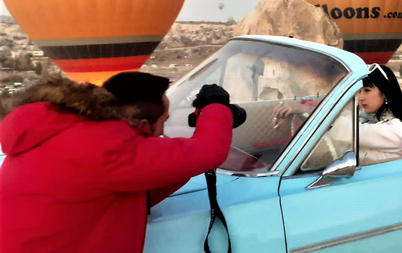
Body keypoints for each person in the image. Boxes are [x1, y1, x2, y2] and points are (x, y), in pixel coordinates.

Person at [0, 72, 244, 253]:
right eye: (164, 121)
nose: (163, 130)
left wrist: (183, 165)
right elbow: (210, 151)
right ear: (143, 124)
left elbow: (127, 192)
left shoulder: (64, 133)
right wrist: (216, 108)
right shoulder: (107, 150)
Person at [272, 64, 402, 165]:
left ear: (385, 93)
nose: (361, 97)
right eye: (358, 91)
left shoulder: (396, 130)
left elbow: (349, 130)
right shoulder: (361, 117)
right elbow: (336, 131)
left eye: (366, 90)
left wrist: (307, 110)